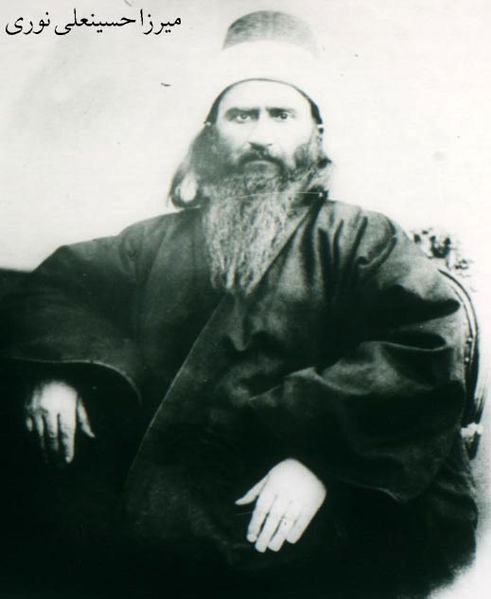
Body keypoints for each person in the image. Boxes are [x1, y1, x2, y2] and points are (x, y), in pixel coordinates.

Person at [0, 11, 478, 599]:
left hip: (302, 491)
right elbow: (56, 290)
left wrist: (322, 462)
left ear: (313, 135)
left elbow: (422, 346)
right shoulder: (154, 240)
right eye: (241, 115)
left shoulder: (361, 238)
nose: (260, 133)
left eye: (281, 115)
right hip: (163, 484)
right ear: (211, 134)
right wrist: (60, 371)